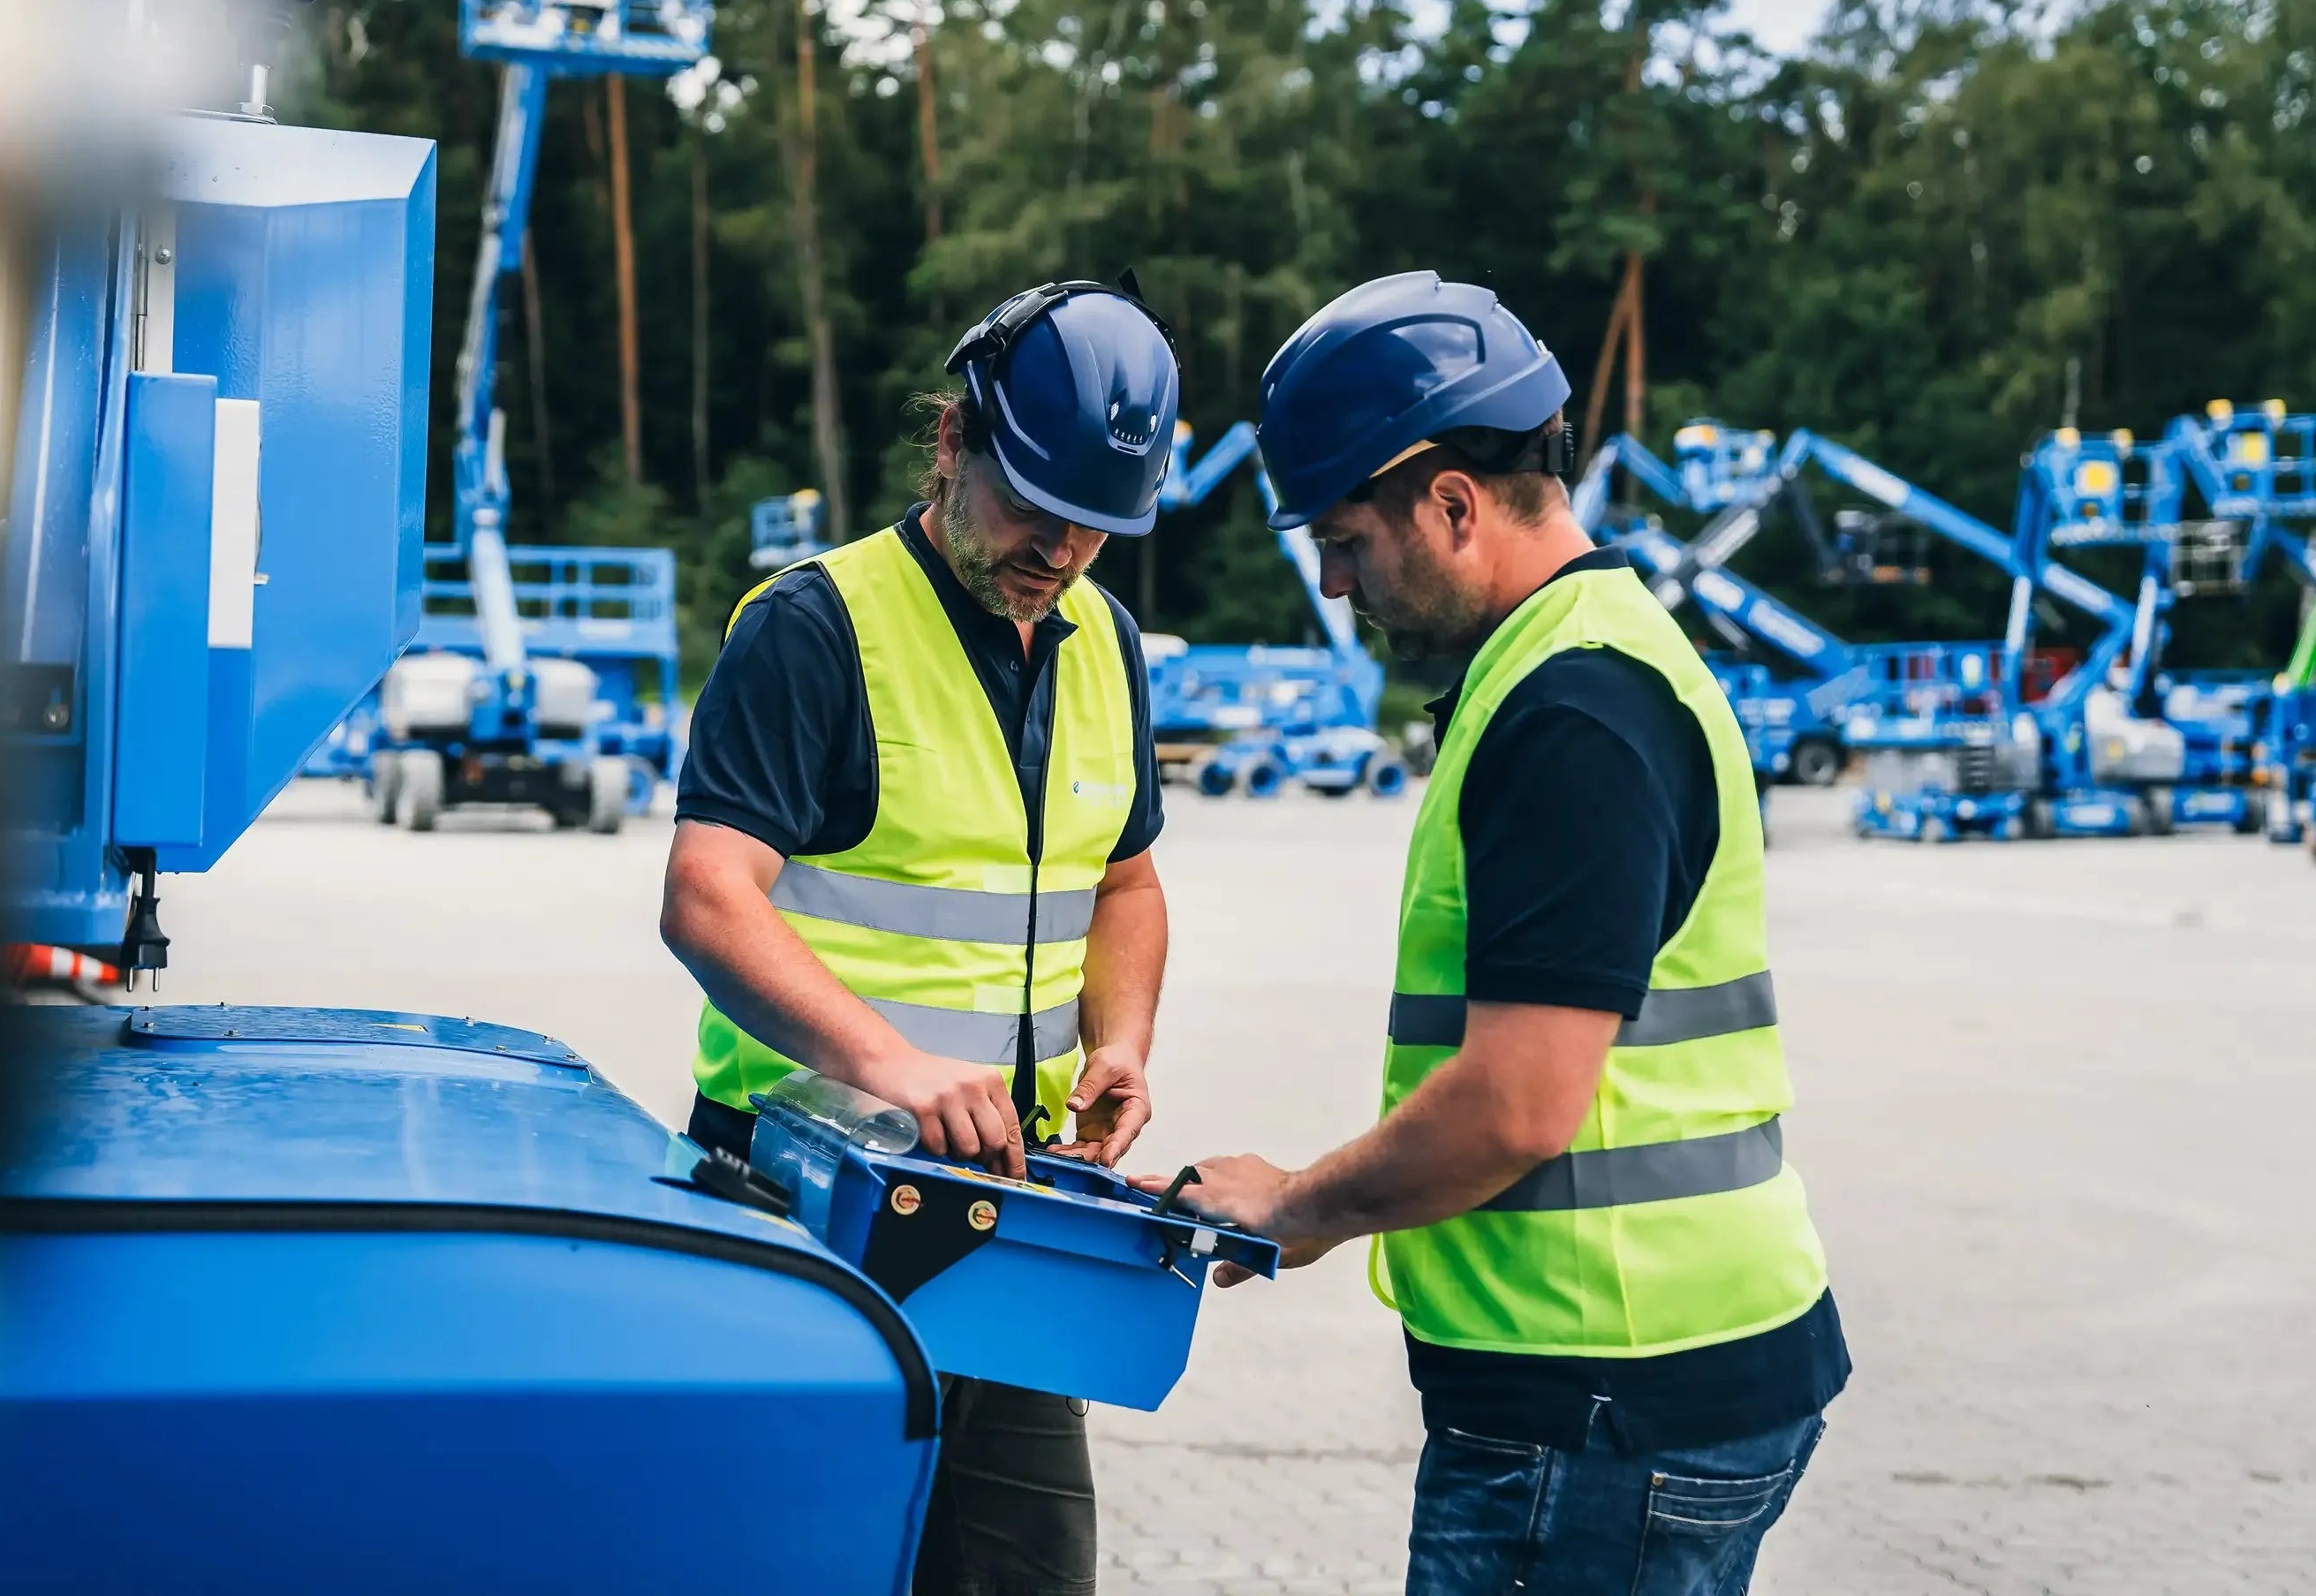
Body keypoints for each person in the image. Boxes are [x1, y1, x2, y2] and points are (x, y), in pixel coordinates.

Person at [1145, 272, 1849, 1596]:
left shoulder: (1570, 712)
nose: (1336, 579)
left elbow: (1521, 1105)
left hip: (1604, 1396)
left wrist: (1298, 1206)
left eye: (1346, 536)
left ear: (1453, 503)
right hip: (1652, 1367)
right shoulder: (1590, 658)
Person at [661, 278, 1180, 1596]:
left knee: (1024, 1575)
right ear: (952, 443)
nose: (1059, 552)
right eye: (1034, 507)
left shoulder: (1104, 643)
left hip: (1004, 1220)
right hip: (800, 1203)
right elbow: (708, 894)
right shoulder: (814, 628)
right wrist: (892, 1068)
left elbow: (1125, 882)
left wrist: (1122, 1040)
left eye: (1095, 529)